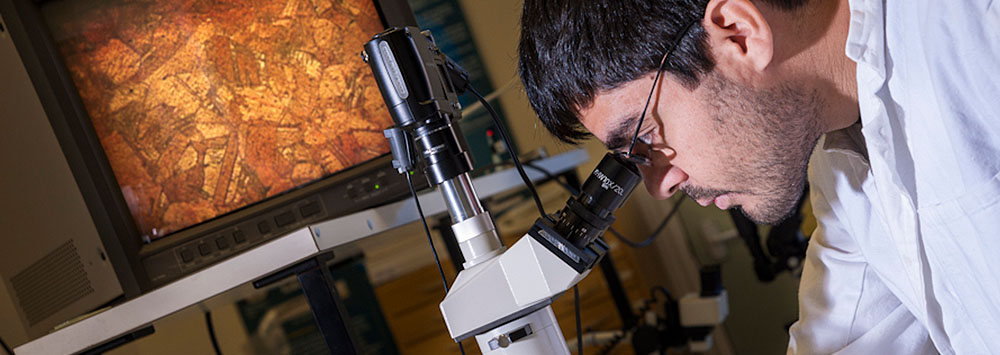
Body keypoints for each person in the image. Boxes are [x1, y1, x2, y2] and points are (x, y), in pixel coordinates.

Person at [517, 0, 1000, 353]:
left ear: (740, 34)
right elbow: (841, 338)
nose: (659, 185)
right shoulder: (841, 164)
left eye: (642, 138)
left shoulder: (976, 34)